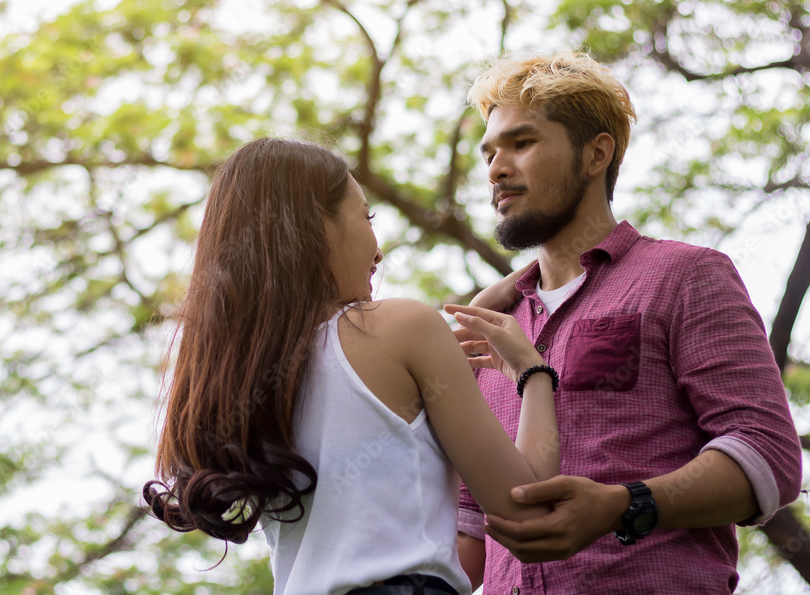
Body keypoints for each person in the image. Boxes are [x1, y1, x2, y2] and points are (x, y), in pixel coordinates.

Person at [449, 51, 803, 594]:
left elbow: (768, 454)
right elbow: (471, 535)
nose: (496, 168)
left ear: (596, 154)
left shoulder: (684, 275)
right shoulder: (491, 329)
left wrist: (624, 505)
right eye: (490, 152)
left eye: (522, 143)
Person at [144, 137, 563, 595]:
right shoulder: (407, 327)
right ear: (315, 226)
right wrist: (533, 373)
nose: (378, 252)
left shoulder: (244, 379)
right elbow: (530, 512)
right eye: (366, 217)